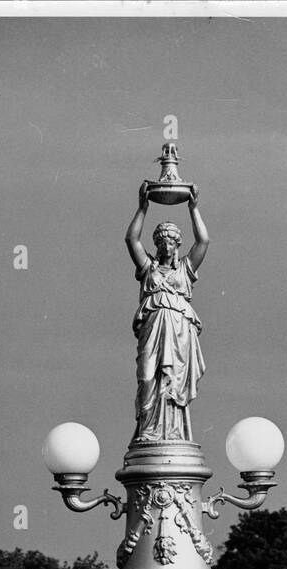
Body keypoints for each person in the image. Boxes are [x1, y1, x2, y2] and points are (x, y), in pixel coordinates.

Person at [125, 181, 209, 443]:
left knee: (171, 380)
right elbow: (131, 239)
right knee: (148, 376)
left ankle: (172, 435)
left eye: (171, 242)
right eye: (161, 241)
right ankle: (148, 431)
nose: (166, 246)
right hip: (152, 331)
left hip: (179, 331)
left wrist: (193, 208)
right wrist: (142, 208)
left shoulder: (184, 270)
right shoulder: (148, 269)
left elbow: (203, 241)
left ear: (177, 245)